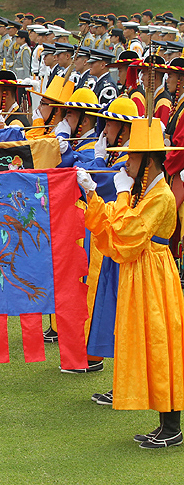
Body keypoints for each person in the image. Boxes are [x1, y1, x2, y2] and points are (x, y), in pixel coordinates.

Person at [77, 116, 184, 448]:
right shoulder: (145, 193)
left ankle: (172, 427)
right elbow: (113, 233)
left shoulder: (161, 195)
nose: (126, 162)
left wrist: (120, 195)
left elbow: (127, 233)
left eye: (133, 156)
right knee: (148, 345)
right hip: (142, 274)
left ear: (149, 161)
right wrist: (94, 197)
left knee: (161, 345)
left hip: (155, 276)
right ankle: (165, 424)